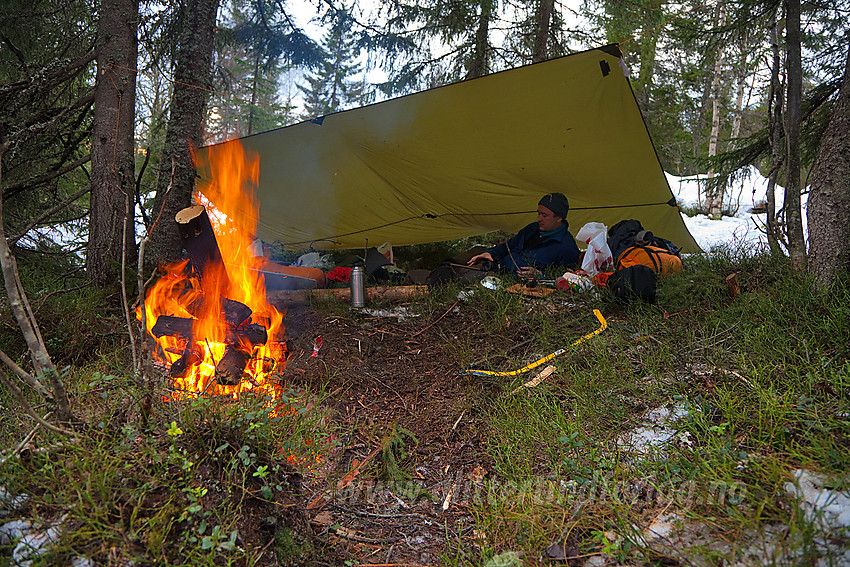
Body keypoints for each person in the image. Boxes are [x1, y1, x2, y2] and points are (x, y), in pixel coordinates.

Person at [467, 192, 580, 278]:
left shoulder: (567, 247)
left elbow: (568, 278)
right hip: (496, 271)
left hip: (519, 287)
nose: (539, 219)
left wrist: (541, 275)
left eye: (544, 215)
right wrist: (490, 253)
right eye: (538, 213)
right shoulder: (532, 229)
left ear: (559, 218)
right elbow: (508, 246)